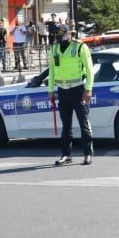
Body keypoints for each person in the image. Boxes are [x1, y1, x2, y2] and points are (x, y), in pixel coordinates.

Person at [48, 24, 94, 166]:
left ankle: (87, 154)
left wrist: (88, 89)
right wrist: (51, 91)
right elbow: (52, 71)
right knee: (66, 125)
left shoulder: (80, 47)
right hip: (62, 90)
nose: (59, 39)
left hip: (78, 90)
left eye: (62, 36)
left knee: (83, 123)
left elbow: (89, 68)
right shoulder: (54, 48)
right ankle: (66, 155)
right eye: (57, 37)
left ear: (69, 34)